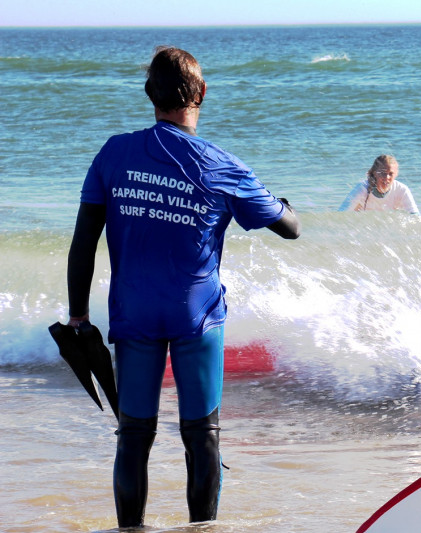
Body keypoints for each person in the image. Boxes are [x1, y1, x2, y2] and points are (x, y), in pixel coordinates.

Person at [65, 46, 301, 528]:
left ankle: (130, 530)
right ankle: (203, 530)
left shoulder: (114, 153)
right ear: (203, 93)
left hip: (134, 315)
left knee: (133, 435)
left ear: (149, 94)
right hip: (195, 317)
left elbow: (83, 242)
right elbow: (289, 227)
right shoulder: (223, 166)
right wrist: (279, 201)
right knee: (203, 435)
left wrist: (78, 317)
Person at [339, 154, 420, 214]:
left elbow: (415, 215)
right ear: (375, 173)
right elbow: (341, 214)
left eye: (391, 174)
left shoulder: (402, 190)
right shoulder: (362, 188)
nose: (387, 177)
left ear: (396, 174)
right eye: (383, 173)